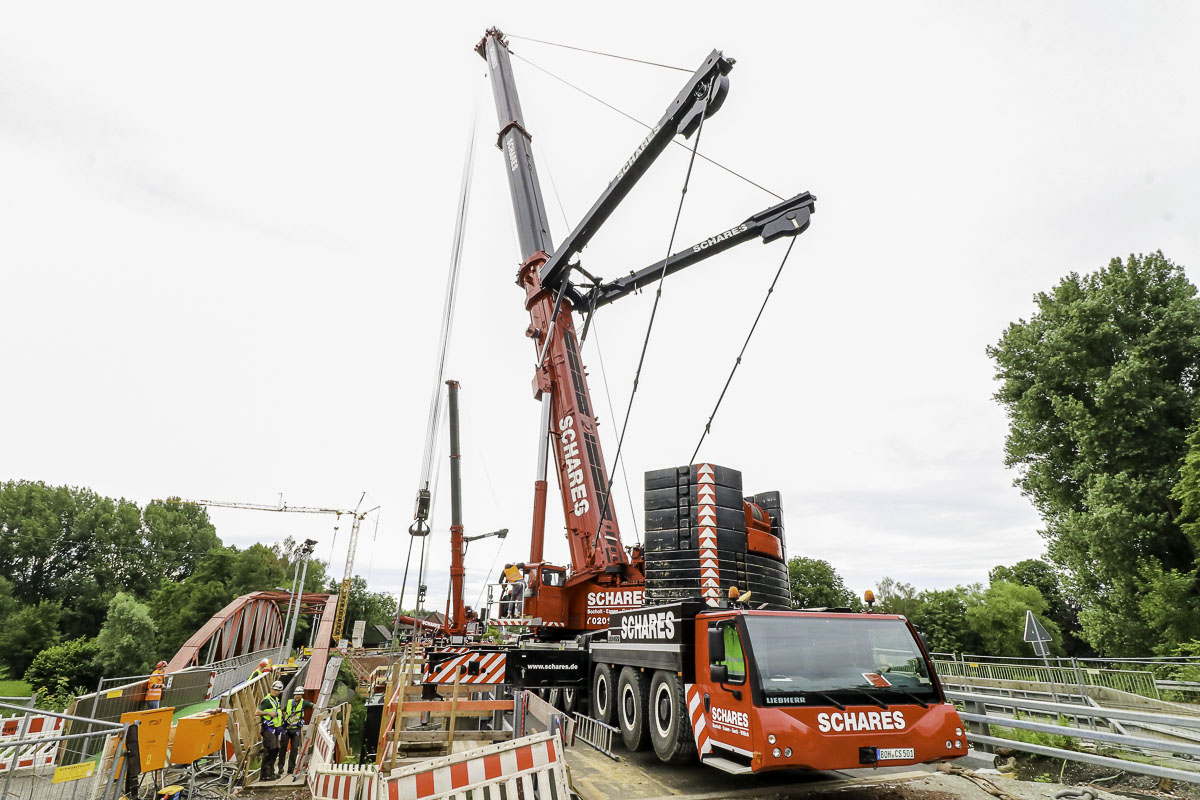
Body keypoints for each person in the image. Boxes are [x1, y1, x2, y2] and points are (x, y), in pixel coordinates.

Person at [280, 687, 314, 775]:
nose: (297, 696)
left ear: (301, 695)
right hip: (286, 728)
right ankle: (280, 767)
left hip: (296, 729)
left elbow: (314, 706)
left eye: (299, 695)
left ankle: (291, 768)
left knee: (294, 748)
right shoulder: (289, 702)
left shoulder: (304, 703)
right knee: (283, 748)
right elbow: (283, 710)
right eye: (296, 695)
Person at [255, 681, 285, 780]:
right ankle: (265, 774)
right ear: (271, 689)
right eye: (275, 690)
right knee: (269, 750)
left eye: (278, 691)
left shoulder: (276, 700)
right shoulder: (267, 700)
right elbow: (257, 712)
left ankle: (271, 772)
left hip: (275, 729)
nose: (276, 692)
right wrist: (268, 714)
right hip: (268, 729)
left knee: (276, 749)